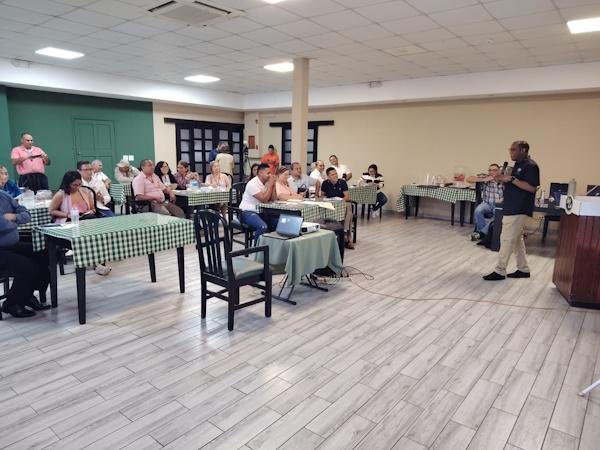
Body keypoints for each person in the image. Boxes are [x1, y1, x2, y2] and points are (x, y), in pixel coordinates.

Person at [483, 141, 540, 281]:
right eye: (510, 149)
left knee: (506, 239)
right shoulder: (517, 165)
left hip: (518, 208)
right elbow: (513, 183)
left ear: (523, 150)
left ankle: (500, 270)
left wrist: (511, 179)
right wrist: (502, 179)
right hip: (511, 206)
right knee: (517, 241)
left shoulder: (531, 166)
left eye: (514, 149)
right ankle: (523, 269)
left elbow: (532, 188)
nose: (511, 152)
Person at [49, 171, 112, 276]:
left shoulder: (85, 192)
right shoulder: (61, 194)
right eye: (74, 185)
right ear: (67, 184)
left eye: (79, 184)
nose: (77, 187)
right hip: (68, 221)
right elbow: (51, 211)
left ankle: (97, 261)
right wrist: (67, 214)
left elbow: (93, 208)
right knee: (86, 233)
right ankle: (94, 263)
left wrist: (91, 211)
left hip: (84, 219)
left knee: (95, 230)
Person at [239, 163, 277, 241]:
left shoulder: (266, 182)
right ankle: (257, 247)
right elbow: (264, 199)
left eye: (270, 173)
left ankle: (271, 246)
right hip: (247, 212)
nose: (270, 175)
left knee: (277, 223)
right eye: (268, 173)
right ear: (260, 173)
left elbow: (274, 199)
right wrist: (270, 185)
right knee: (262, 227)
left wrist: (273, 185)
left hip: (261, 211)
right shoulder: (252, 184)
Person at [467, 163, 504, 241]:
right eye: (490, 170)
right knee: (478, 210)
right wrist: (484, 180)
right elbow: (469, 179)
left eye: (494, 170)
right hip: (487, 204)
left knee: (497, 214)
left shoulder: (503, 180)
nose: (492, 172)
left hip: (498, 205)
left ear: (499, 171)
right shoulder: (486, 178)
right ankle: (482, 233)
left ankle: (482, 234)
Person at [320, 167, 355, 249]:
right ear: (328, 177)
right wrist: (326, 199)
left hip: (341, 204)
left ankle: (346, 235)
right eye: (332, 174)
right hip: (330, 205)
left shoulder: (342, 182)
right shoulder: (325, 183)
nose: (335, 175)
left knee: (348, 209)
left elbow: (347, 196)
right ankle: (327, 236)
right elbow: (322, 196)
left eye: (336, 173)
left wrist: (340, 202)